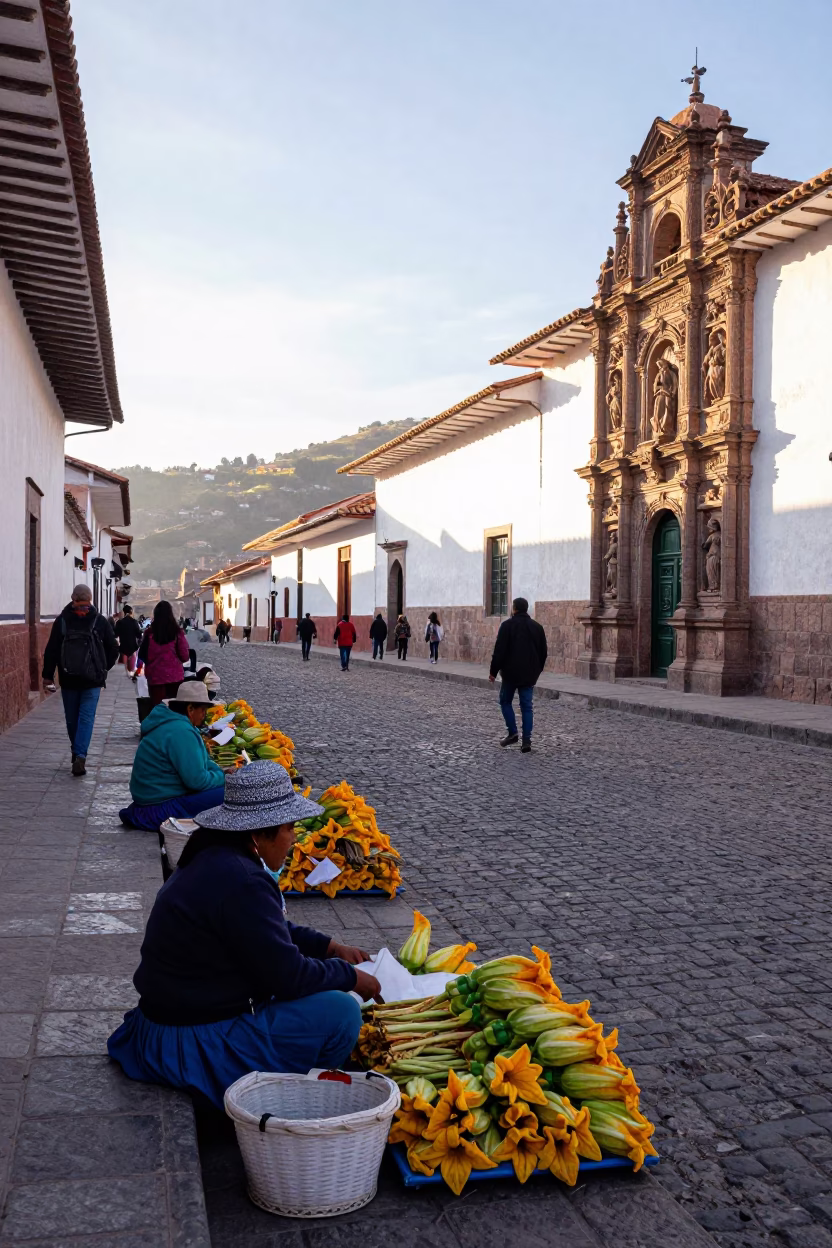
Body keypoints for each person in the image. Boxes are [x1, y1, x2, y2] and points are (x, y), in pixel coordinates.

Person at [107, 761, 381, 1109]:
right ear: (260, 833)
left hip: (167, 1018)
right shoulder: (242, 880)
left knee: (319, 990)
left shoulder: (213, 853)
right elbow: (289, 977)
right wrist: (350, 977)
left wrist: (329, 947)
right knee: (340, 1013)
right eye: (289, 827)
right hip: (190, 1037)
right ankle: (299, 1101)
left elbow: (266, 932)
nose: (294, 837)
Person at [118, 682, 225, 831]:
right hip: (158, 808)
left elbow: (204, 762)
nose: (204, 715)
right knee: (231, 794)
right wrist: (224, 778)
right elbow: (197, 782)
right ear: (190, 709)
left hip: (151, 800)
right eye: (203, 710)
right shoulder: (181, 731)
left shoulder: (175, 723)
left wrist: (221, 772)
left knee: (223, 788)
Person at [42, 583, 120, 776]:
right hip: (92, 680)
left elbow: (52, 649)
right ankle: (80, 755)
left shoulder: (62, 620)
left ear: (72, 598)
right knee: (86, 719)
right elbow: (113, 649)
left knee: (72, 719)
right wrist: (102, 669)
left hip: (68, 678)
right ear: (91, 599)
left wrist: (47, 676)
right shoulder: (99, 621)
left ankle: (76, 751)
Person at [488, 597, 548, 754]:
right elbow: (543, 653)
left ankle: (512, 732)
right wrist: (537, 670)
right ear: (526, 609)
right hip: (529, 674)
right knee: (527, 707)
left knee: (505, 701)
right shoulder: (537, 627)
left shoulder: (507, 626)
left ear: (514, 609)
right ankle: (526, 740)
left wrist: (493, 671)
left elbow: (499, 651)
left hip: (510, 674)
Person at [137, 600, 191, 707]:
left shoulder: (149, 634)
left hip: (155, 679)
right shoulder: (177, 633)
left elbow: (142, 655)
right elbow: (185, 656)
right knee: (174, 709)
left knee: (158, 709)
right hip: (175, 678)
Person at [114, 604, 143, 676]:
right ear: (131, 612)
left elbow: (115, 634)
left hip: (123, 648)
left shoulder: (119, 623)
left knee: (123, 672)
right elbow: (139, 635)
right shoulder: (134, 622)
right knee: (131, 671)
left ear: (123, 613)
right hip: (133, 648)